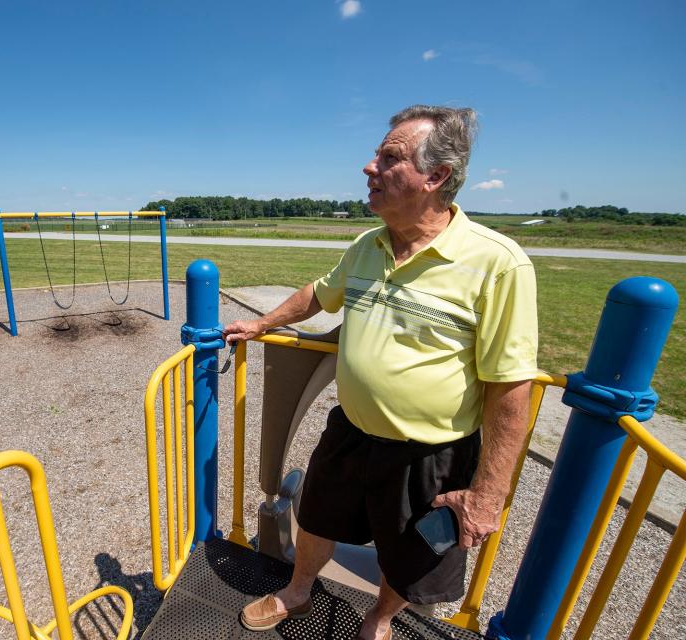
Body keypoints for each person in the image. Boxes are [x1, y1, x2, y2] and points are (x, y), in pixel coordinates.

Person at [223, 105, 538, 640]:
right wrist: (262, 325)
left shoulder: (497, 263)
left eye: (389, 157)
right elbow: (318, 295)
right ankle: (297, 592)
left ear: (435, 176)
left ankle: (381, 618)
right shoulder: (367, 244)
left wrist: (488, 495)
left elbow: (511, 388)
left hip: (429, 452)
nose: (368, 168)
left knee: (408, 548)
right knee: (318, 516)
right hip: (351, 429)